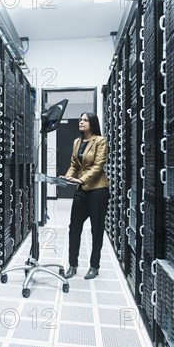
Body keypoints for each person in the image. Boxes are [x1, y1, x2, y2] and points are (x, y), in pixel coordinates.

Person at [59, 112, 110, 279]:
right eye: (80, 119)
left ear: (92, 123)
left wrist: (79, 179)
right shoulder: (77, 142)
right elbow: (74, 163)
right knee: (74, 228)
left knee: (97, 229)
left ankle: (94, 266)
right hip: (82, 191)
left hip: (98, 190)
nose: (81, 122)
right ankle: (72, 265)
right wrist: (68, 176)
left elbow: (98, 166)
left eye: (85, 120)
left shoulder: (100, 141)